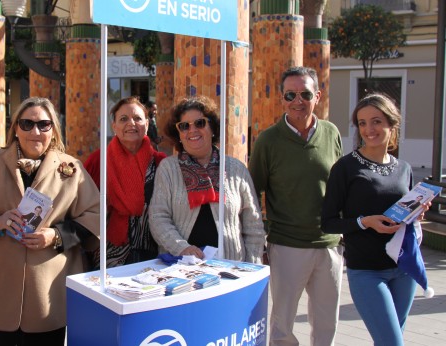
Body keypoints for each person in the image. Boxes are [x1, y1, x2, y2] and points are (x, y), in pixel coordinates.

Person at [0, 97, 100, 345]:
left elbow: (94, 218)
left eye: (44, 124)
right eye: (27, 123)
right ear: (16, 129)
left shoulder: (71, 168)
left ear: (53, 130)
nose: (35, 131)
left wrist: (55, 236)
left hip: (47, 296)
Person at [321, 93, 427, 346]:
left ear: (392, 124)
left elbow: (403, 215)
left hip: (404, 269)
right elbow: (328, 222)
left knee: (390, 340)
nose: (369, 129)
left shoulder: (404, 168)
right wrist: (364, 221)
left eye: (377, 121)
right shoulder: (345, 168)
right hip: (367, 272)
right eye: (362, 123)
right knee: (392, 343)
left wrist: (416, 213)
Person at [248, 66, 343, 346]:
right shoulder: (268, 140)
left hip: (329, 245)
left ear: (318, 96)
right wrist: (259, 243)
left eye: (305, 93)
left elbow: (339, 186)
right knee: (282, 326)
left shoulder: (331, 133)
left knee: (327, 324)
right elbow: (253, 194)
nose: (297, 101)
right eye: (290, 94)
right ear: (282, 98)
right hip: (287, 246)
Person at [148, 95, 265, 263]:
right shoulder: (168, 169)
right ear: (179, 134)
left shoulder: (236, 168)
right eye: (184, 126)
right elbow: (158, 217)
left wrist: (251, 266)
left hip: (231, 268)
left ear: (213, 128)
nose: (192, 130)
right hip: (182, 269)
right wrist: (182, 248)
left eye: (200, 123)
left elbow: (253, 224)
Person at [84, 96, 166, 267]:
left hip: (154, 248)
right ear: (114, 126)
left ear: (147, 125)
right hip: (108, 249)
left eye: (137, 118)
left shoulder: (161, 163)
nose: (131, 123)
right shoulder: (99, 161)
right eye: (123, 119)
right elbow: (82, 203)